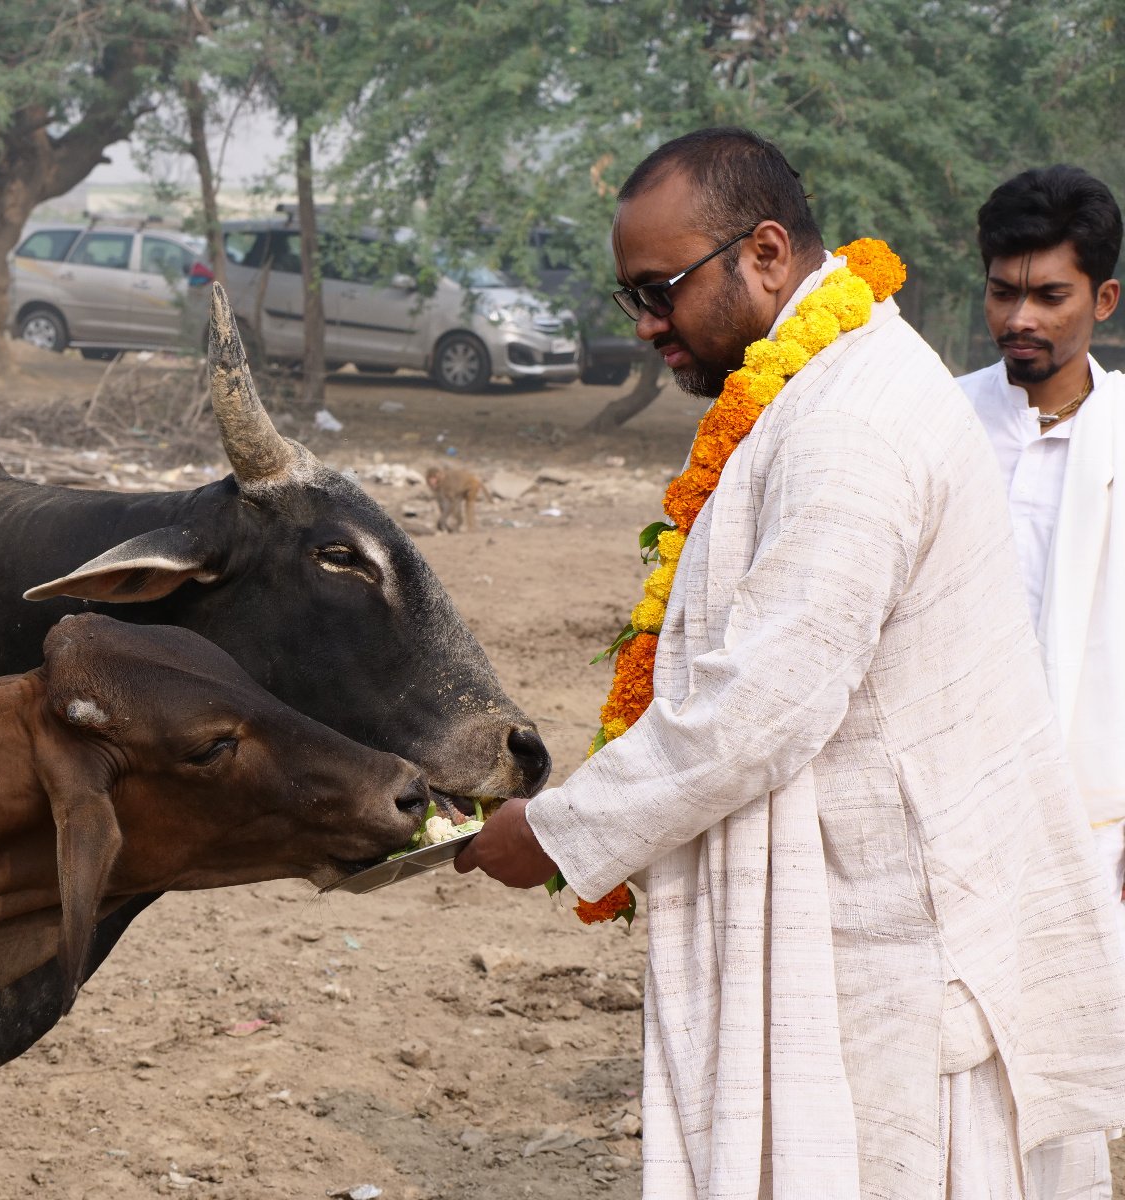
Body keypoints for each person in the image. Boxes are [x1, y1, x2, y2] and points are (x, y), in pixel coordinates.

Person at [455, 127, 1125, 1198]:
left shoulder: (851, 420)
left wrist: (557, 830)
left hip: (895, 939)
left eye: (660, 289)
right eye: (630, 296)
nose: (646, 326)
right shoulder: (826, 388)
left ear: (765, 253)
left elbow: (756, 705)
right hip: (868, 914)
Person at [957, 167, 1125, 949]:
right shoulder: (937, 420)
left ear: (1104, 300)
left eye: (1050, 297)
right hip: (950, 799)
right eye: (1001, 293)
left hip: (1096, 817)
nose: (1018, 318)